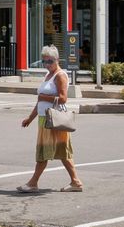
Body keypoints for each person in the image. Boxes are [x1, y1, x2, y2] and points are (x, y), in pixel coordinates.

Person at [17, 44, 83, 193]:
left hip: (54, 119)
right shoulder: (48, 75)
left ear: (57, 60)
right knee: (61, 152)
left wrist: (43, 96)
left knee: (45, 153)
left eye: (50, 61)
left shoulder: (60, 75)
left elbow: (63, 98)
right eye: (44, 61)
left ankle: (33, 183)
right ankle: (76, 182)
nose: (47, 64)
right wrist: (30, 118)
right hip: (44, 119)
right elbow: (40, 101)